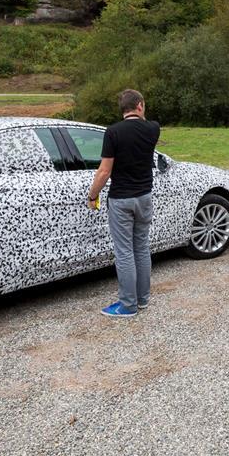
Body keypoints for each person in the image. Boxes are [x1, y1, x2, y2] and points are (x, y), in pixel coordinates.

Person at [87, 89, 161, 318]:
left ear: (123, 109)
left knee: (124, 253)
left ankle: (127, 306)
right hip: (144, 197)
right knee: (141, 247)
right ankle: (143, 299)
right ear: (139, 105)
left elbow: (104, 171)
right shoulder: (153, 128)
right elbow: (144, 124)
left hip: (121, 200)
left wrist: (92, 196)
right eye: (143, 105)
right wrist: (141, 112)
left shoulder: (113, 132)